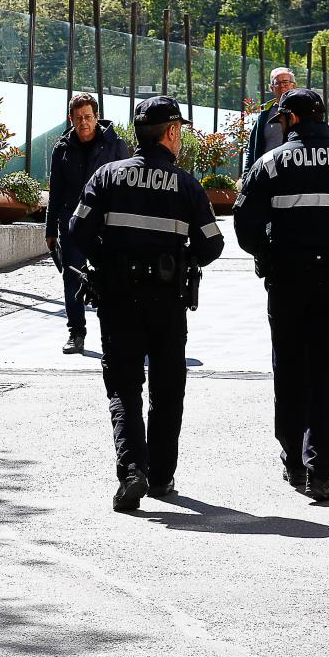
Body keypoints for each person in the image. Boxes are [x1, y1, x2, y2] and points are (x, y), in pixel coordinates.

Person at [69, 96, 225, 512]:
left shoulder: (106, 177)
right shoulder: (187, 186)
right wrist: (182, 257)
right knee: (167, 388)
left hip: (117, 299)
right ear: (171, 132)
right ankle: (161, 477)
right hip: (167, 303)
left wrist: (105, 260)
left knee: (123, 387)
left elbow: (76, 233)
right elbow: (212, 244)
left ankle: (132, 470)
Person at [233, 88, 329, 501]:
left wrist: (267, 249)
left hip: (286, 281)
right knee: (326, 375)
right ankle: (321, 471)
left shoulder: (269, 163)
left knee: (289, 370)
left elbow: (245, 226)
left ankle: (293, 461)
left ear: (293, 120)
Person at [46, 93, 130, 355]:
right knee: (72, 278)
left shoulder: (115, 145)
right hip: (72, 225)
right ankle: (76, 333)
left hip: (108, 225)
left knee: (113, 278)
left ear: (96, 118)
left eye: (88, 117)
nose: (83, 123)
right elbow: (55, 192)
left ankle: (117, 334)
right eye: (78, 118)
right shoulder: (61, 149)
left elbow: (127, 187)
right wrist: (50, 230)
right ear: (71, 119)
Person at [243, 67, 297, 176]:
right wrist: (247, 177)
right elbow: (252, 148)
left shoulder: (302, 112)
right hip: (266, 175)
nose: (282, 86)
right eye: (277, 83)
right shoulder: (264, 114)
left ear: (293, 85)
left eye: (286, 82)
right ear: (271, 88)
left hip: (293, 174)